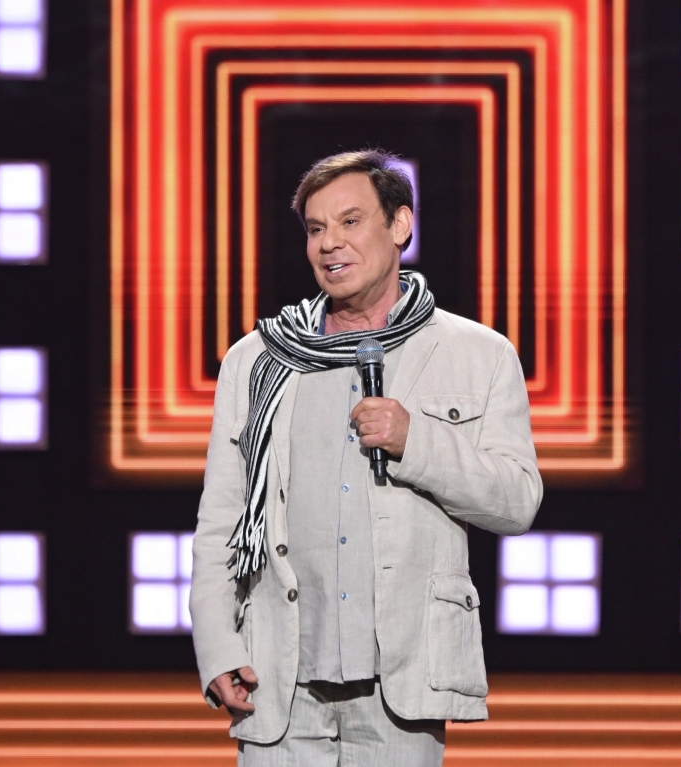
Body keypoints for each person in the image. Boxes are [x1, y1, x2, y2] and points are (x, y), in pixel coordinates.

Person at [190, 148, 543, 766]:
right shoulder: (259, 359)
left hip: (401, 680)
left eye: (350, 222)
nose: (330, 243)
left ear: (400, 224)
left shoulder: (478, 353)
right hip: (279, 678)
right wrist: (217, 646)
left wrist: (416, 443)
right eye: (316, 229)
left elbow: (516, 502)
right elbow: (221, 519)